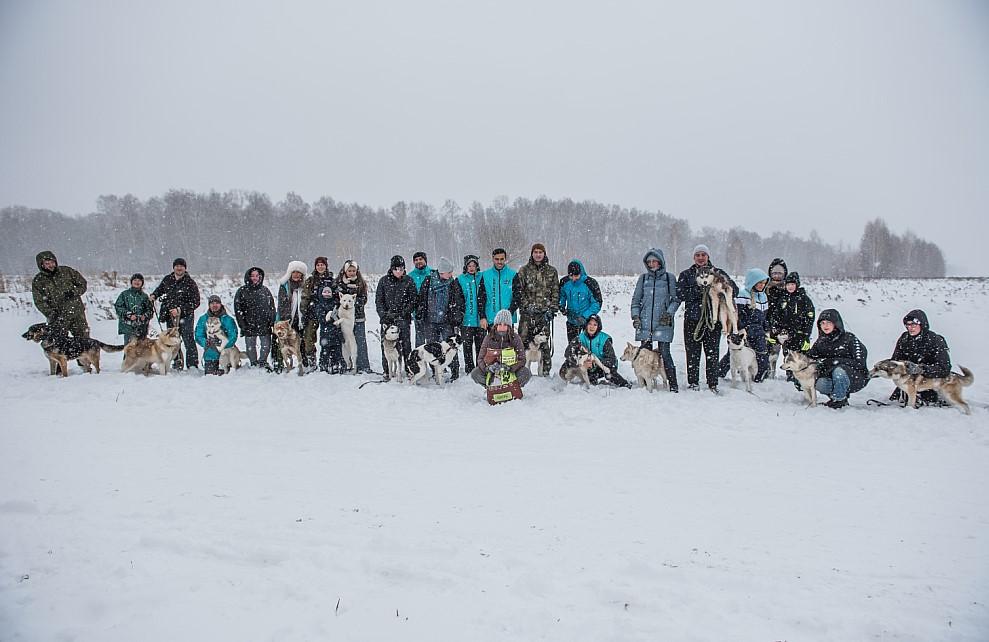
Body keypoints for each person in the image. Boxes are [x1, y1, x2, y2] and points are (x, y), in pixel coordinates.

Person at [676, 245, 738, 392]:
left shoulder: (718, 273)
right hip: (692, 320)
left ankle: (712, 383)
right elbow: (680, 293)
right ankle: (693, 382)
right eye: (698, 255)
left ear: (708, 256)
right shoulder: (686, 275)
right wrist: (699, 289)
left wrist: (721, 287)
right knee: (692, 353)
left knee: (712, 353)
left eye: (703, 254)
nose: (701, 257)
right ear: (694, 257)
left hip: (713, 321)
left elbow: (734, 290)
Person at [630, 248, 679, 392]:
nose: (652, 264)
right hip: (645, 323)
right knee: (645, 356)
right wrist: (636, 316)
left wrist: (668, 313)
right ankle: (647, 383)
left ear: (661, 261)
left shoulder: (670, 278)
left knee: (665, 354)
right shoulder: (643, 279)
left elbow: (676, 300)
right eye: (649, 261)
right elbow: (636, 300)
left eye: (654, 261)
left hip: (663, 323)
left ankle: (673, 384)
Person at [806, 309, 869, 409]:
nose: (825, 326)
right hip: (831, 376)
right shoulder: (821, 342)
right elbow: (809, 357)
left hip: (856, 377)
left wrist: (835, 362)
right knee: (820, 383)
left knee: (839, 371)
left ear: (836, 323)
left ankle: (838, 400)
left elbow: (859, 362)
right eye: (822, 323)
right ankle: (839, 398)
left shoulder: (849, 338)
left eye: (829, 322)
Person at [888, 309, 953, 406]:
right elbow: (896, 360)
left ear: (922, 324)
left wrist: (921, 369)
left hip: (930, 383)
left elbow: (944, 368)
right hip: (908, 382)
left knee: (928, 401)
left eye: (913, 324)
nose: (910, 328)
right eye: (908, 325)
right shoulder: (904, 339)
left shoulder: (935, 340)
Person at [513, 243, 559, 376]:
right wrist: (527, 305)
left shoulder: (551, 271)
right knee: (522, 343)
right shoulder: (524, 270)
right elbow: (519, 291)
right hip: (527, 314)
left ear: (544, 254)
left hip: (544, 314)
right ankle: (520, 372)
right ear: (532, 254)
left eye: (540, 252)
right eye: (536, 252)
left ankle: (544, 373)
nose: (538, 254)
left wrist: (552, 309)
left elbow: (555, 291)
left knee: (544, 344)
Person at [718, 268, 770, 382]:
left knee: (762, 355)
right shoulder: (742, 295)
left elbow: (764, 315)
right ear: (752, 282)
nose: (761, 285)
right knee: (734, 353)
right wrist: (742, 328)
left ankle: (758, 379)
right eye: (759, 283)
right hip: (744, 331)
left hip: (759, 331)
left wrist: (767, 328)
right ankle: (719, 373)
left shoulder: (763, 296)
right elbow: (737, 314)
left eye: (763, 283)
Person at [151, 258, 201, 370]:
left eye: (181, 266)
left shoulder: (190, 282)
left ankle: (192, 365)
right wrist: (154, 295)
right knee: (172, 340)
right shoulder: (168, 279)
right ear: (173, 267)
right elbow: (160, 290)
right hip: (170, 316)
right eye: (177, 266)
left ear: (185, 268)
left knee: (188, 340)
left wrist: (180, 309)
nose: (179, 268)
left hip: (186, 316)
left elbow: (196, 301)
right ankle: (177, 362)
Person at [416, 256, 461, 380]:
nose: (451, 274)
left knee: (451, 348)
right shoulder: (428, 281)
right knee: (432, 348)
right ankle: (436, 371)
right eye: (449, 272)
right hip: (430, 321)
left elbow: (458, 301)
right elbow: (422, 298)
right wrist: (420, 313)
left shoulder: (453, 283)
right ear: (442, 272)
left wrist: (456, 316)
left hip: (446, 321)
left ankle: (454, 371)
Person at [375, 255, 417, 377]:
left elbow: (413, 299)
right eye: (396, 269)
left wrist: (404, 312)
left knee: (406, 346)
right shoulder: (383, 281)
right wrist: (383, 315)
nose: (398, 271)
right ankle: (387, 370)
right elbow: (379, 300)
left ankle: (409, 369)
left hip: (403, 318)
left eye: (401, 269)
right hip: (387, 319)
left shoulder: (408, 281)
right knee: (387, 346)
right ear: (391, 269)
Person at [767, 271, 816, 377]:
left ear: (797, 285)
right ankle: (789, 376)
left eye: (792, 284)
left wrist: (806, 336)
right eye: (788, 284)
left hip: (799, 334)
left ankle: (799, 378)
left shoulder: (804, 299)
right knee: (787, 356)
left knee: (798, 357)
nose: (790, 287)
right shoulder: (783, 298)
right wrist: (774, 330)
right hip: (786, 334)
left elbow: (809, 318)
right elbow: (776, 315)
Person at [32, 250, 90, 337]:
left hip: (76, 312)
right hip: (58, 318)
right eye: (47, 263)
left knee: (83, 341)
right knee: (59, 344)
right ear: (42, 265)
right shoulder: (38, 281)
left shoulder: (66, 271)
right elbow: (39, 301)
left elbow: (82, 284)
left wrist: (74, 292)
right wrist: (51, 313)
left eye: (52, 262)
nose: (51, 265)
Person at [470, 308, 531, 388]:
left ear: (509, 326)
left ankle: (513, 388)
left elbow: (522, 359)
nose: (502, 327)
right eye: (500, 324)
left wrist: (511, 367)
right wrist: (488, 368)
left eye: (505, 325)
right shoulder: (488, 338)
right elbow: (480, 359)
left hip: (510, 372)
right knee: (475, 373)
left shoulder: (515, 338)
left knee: (526, 373)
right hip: (492, 372)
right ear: (495, 325)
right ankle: (491, 387)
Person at [567, 314, 631, 387]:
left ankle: (625, 385)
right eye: (590, 324)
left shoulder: (604, 339)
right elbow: (568, 353)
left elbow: (611, 360)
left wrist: (594, 363)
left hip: (603, 365)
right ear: (586, 325)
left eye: (595, 325)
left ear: (598, 327)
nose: (592, 327)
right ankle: (590, 383)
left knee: (609, 373)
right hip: (587, 365)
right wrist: (581, 362)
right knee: (569, 364)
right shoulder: (580, 338)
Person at [334, 260, 372, 374]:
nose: (351, 273)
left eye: (353, 270)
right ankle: (346, 364)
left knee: (360, 341)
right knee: (344, 342)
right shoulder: (339, 283)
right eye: (349, 270)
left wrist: (353, 301)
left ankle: (363, 366)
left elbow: (364, 298)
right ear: (345, 271)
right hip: (343, 317)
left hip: (358, 317)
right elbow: (337, 299)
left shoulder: (361, 283)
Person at [234, 267, 275, 369]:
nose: (255, 278)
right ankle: (253, 363)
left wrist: (272, 320)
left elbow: (272, 307)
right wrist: (242, 324)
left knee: (266, 345)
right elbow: (238, 309)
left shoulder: (265, 290)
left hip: (264, 323)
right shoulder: (242, 291)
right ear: (248, 277)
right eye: (252, 276)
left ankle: (262, 362)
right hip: (249, 323)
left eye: (257, 276)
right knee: (250, 346)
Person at [450, 254, 484, 375]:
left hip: (480, 319)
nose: (471, 268)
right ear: (465, 266)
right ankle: (469, 369)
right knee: (467, 346)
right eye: (469, 265)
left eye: (474, 265)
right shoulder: (459, 280)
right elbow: (457, 299)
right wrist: (458, 316)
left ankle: (480, 368)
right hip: (466, 320)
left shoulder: (482, 277)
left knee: (481, 347)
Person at [559, 259, 602, 344]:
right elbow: (561, 296)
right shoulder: (565, 282)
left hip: (587, 322)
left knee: (588, 346)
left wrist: (585, 316)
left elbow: (597, 303)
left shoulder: (590, 283)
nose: (574, 278)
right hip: (571, 320)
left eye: (576, 275)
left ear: (581, 272)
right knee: (573, 346)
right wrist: (561, 306)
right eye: (571, 276)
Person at [195, 295, 238, 376]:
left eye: (217, 303)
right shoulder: (203, 319)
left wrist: (223, 344)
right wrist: (206, 343)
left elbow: (233, 336)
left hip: (226, 354)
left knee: (227, 376)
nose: (214, 305)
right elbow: (198, 335)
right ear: (209, 305)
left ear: (221, 304)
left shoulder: (228, 319)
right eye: (212, 303)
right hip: (210, 355)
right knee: (211, 376)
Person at [302, 257, 333, 368]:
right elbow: (305, 297)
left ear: (326, 266)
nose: (320, 267)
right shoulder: (310, 280)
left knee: (328, 338)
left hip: (327, 313)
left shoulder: (331, 279)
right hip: (312, 312)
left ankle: (328, 360)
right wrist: (304, 311)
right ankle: (311, 362)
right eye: (318, 265)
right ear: (315, 266)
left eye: (322, 264)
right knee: (309, 338)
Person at [477, 248, 517, 330]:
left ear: (505, 259)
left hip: (508, 320)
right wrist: (482, 317)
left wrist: (510, 312)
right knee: (492, 343)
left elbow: (517, 296)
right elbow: (481, 298)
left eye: (502, 259)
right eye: (497, 259)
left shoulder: (513, 274)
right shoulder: (485, 275)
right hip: (491, 319)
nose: (499, 262)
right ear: (492, 259)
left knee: (508, 343)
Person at [113, 273, 153, 345]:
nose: (137, 282)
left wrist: (145, 316)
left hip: (141, 328)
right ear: (131, 282)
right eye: (135, 280)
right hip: (128, 327)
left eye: (139, 280)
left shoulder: (144, 296)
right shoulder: (124, 294)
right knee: (129, 351)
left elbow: (150, 310)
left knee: (141, 351)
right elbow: (118, 307)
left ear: (142, 283)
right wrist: (129, 315)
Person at [409, 251, 432, 347]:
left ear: (425, 260)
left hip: (432, 312)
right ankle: (419, 361)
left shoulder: (433, 273)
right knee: (420, 339)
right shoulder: (410, 276)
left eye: (420, 259)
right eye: (416, 260)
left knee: (432, 339)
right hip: (417, 312)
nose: (418, 261)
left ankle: (433, 360)